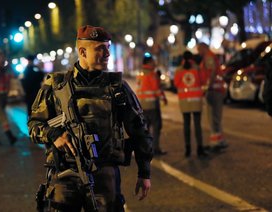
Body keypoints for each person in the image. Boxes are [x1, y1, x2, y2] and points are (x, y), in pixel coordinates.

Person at [28, 25, 153, 211]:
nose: (107, 53)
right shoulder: (56, 85)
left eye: (108, 47)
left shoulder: (117, 88)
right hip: (64, 174)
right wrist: (54, 135)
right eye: (100, 48)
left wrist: (144, 173)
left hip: (104, 174)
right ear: (82, 51)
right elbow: (34, 124)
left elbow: (139, 130)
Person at [174, 51, 207, 157]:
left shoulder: (179, 70)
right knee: (197, 125)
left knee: (186, 125)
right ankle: (199, 148)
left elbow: (176, 83)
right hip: (196, 101)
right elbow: (203, 81)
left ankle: (187, 149)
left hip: (184, 101)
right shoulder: (197, 69)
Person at [197, 43, 228, 151]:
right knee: (216, 117)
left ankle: (216, 143)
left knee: (213, 117)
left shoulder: (208, 57)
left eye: (199, 49)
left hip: (213, 90)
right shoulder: (210, 56)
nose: (198, 52)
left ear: (203, 48)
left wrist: (207, 87)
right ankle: (219, 140)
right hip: (217, 90)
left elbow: (212, 72)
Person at [135, 53, 168, 155]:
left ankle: (145, 149)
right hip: (152, 105)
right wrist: (163, 98)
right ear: (149, 62)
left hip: (142, 106)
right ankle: (155, 148)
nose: (155, 63)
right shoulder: (152, 74)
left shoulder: (140, 74)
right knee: (157, 127)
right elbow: (156, 89)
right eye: (153, 61)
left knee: (145, 128)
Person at [21, 54, 45, 119]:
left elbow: (23, 81)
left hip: (29, 92)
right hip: (35, 92)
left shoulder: (26, 70)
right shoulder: (34, 69)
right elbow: (41, 76)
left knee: (30, 108)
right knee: (36, 107)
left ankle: (31, 120)